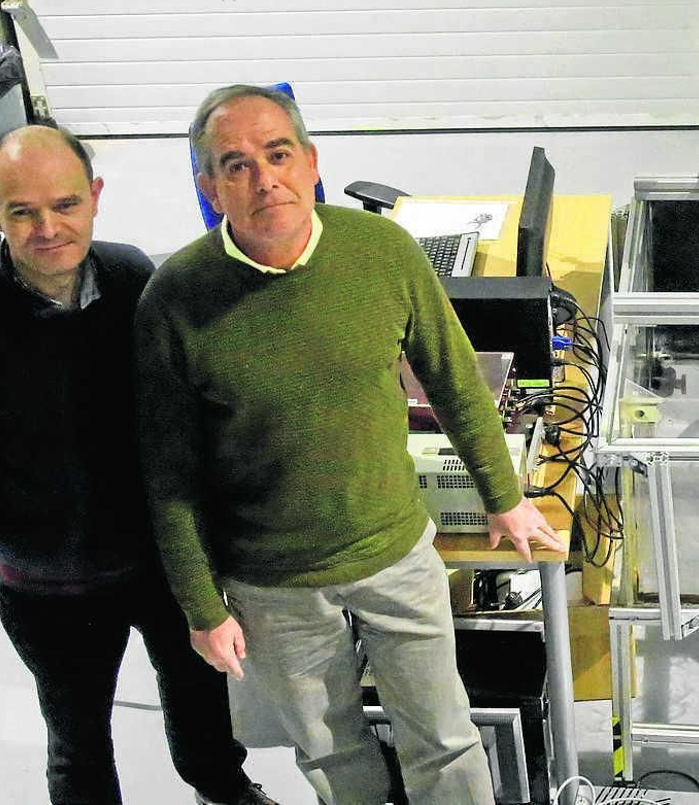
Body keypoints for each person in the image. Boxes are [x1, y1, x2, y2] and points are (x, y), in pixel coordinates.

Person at [135, 85, 565, 804]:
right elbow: (167, 474)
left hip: (394, 552)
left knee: (445, 739)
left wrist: (505, 496)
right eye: (235, 165)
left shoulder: (381, 253)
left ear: (310, 161)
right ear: (210, 187)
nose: (264, 178)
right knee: (332, 753)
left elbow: (455, 381)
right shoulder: (175, 298)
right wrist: (202, 606)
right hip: (273, 584)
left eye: (278, 155)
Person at [0, 125, 274, 805]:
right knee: (78, 743)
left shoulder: (135, 274)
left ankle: (223, 788)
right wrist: (40, 514)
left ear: (95, 197)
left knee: (202, 703)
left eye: (65, 204)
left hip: (163, 565)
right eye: (23, 211)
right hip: (51, 589)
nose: (49, 227)